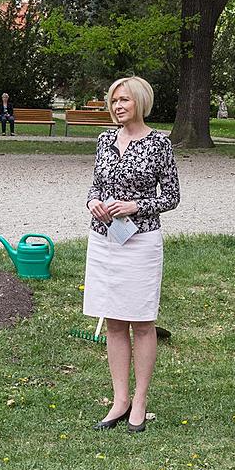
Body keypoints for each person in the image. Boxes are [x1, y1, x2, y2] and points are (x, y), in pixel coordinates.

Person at [83, 76, 180, 433]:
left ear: (140, 101)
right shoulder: (105, 139)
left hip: (140, 241)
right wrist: (94, 202)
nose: (117, 106)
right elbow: (96, 184)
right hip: (105, 239)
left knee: (141, 321)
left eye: (124, 100)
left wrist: (135, 206)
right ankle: (119, 399)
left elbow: (171, 197)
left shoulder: (159, 143)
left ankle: (140, 400)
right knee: (113, 321)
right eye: (113, 101)